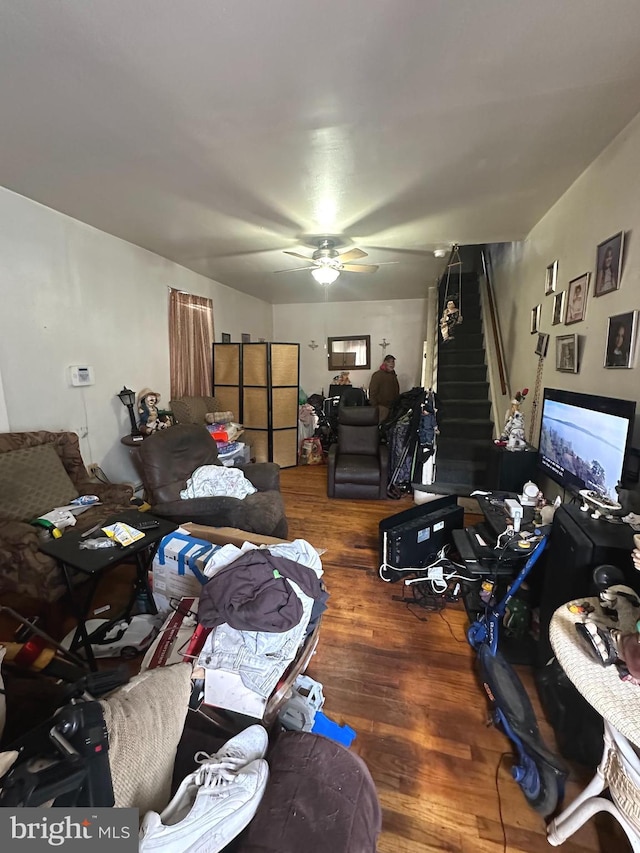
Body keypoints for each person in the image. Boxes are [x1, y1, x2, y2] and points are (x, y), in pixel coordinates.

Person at [368, 354, 400, 422]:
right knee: (379, 428)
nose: (391, 364)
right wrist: (376, 407)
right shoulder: (377, 375)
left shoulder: (393, 375)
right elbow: (372, 393)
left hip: (392, 408)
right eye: (389, 362)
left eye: (393, 362)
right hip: (381, 408)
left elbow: (396, 391)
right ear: (384, 363)